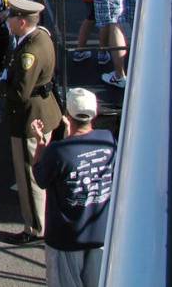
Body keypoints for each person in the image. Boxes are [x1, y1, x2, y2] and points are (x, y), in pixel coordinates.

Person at [33, 88, 116, 287]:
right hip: (101, 233)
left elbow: (40, 178)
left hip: (65, 238)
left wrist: (40, 146)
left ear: (67, 115)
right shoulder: (108, 140)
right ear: (94, 113)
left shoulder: (59, 150)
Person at [0, 0, 62, 245]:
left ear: (22, 21)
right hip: (45, 111)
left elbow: (19, 93)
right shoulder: (41, 37)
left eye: (12, 18)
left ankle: (35, 226)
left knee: (29, 174)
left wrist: (3, 83)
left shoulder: (29, 51)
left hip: (30, 117)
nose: (9, 21)